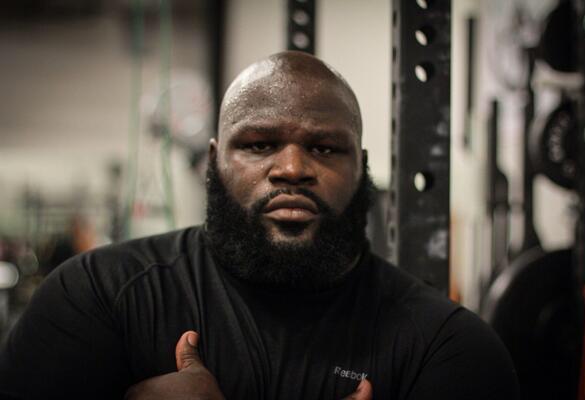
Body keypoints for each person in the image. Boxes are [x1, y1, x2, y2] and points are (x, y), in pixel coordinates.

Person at [0, 51, 519, 400]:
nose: (292, 168)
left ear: (360, 167)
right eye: (259, 145)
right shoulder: (97, 297)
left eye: (324, 148)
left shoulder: (445, 345)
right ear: (214, 160)